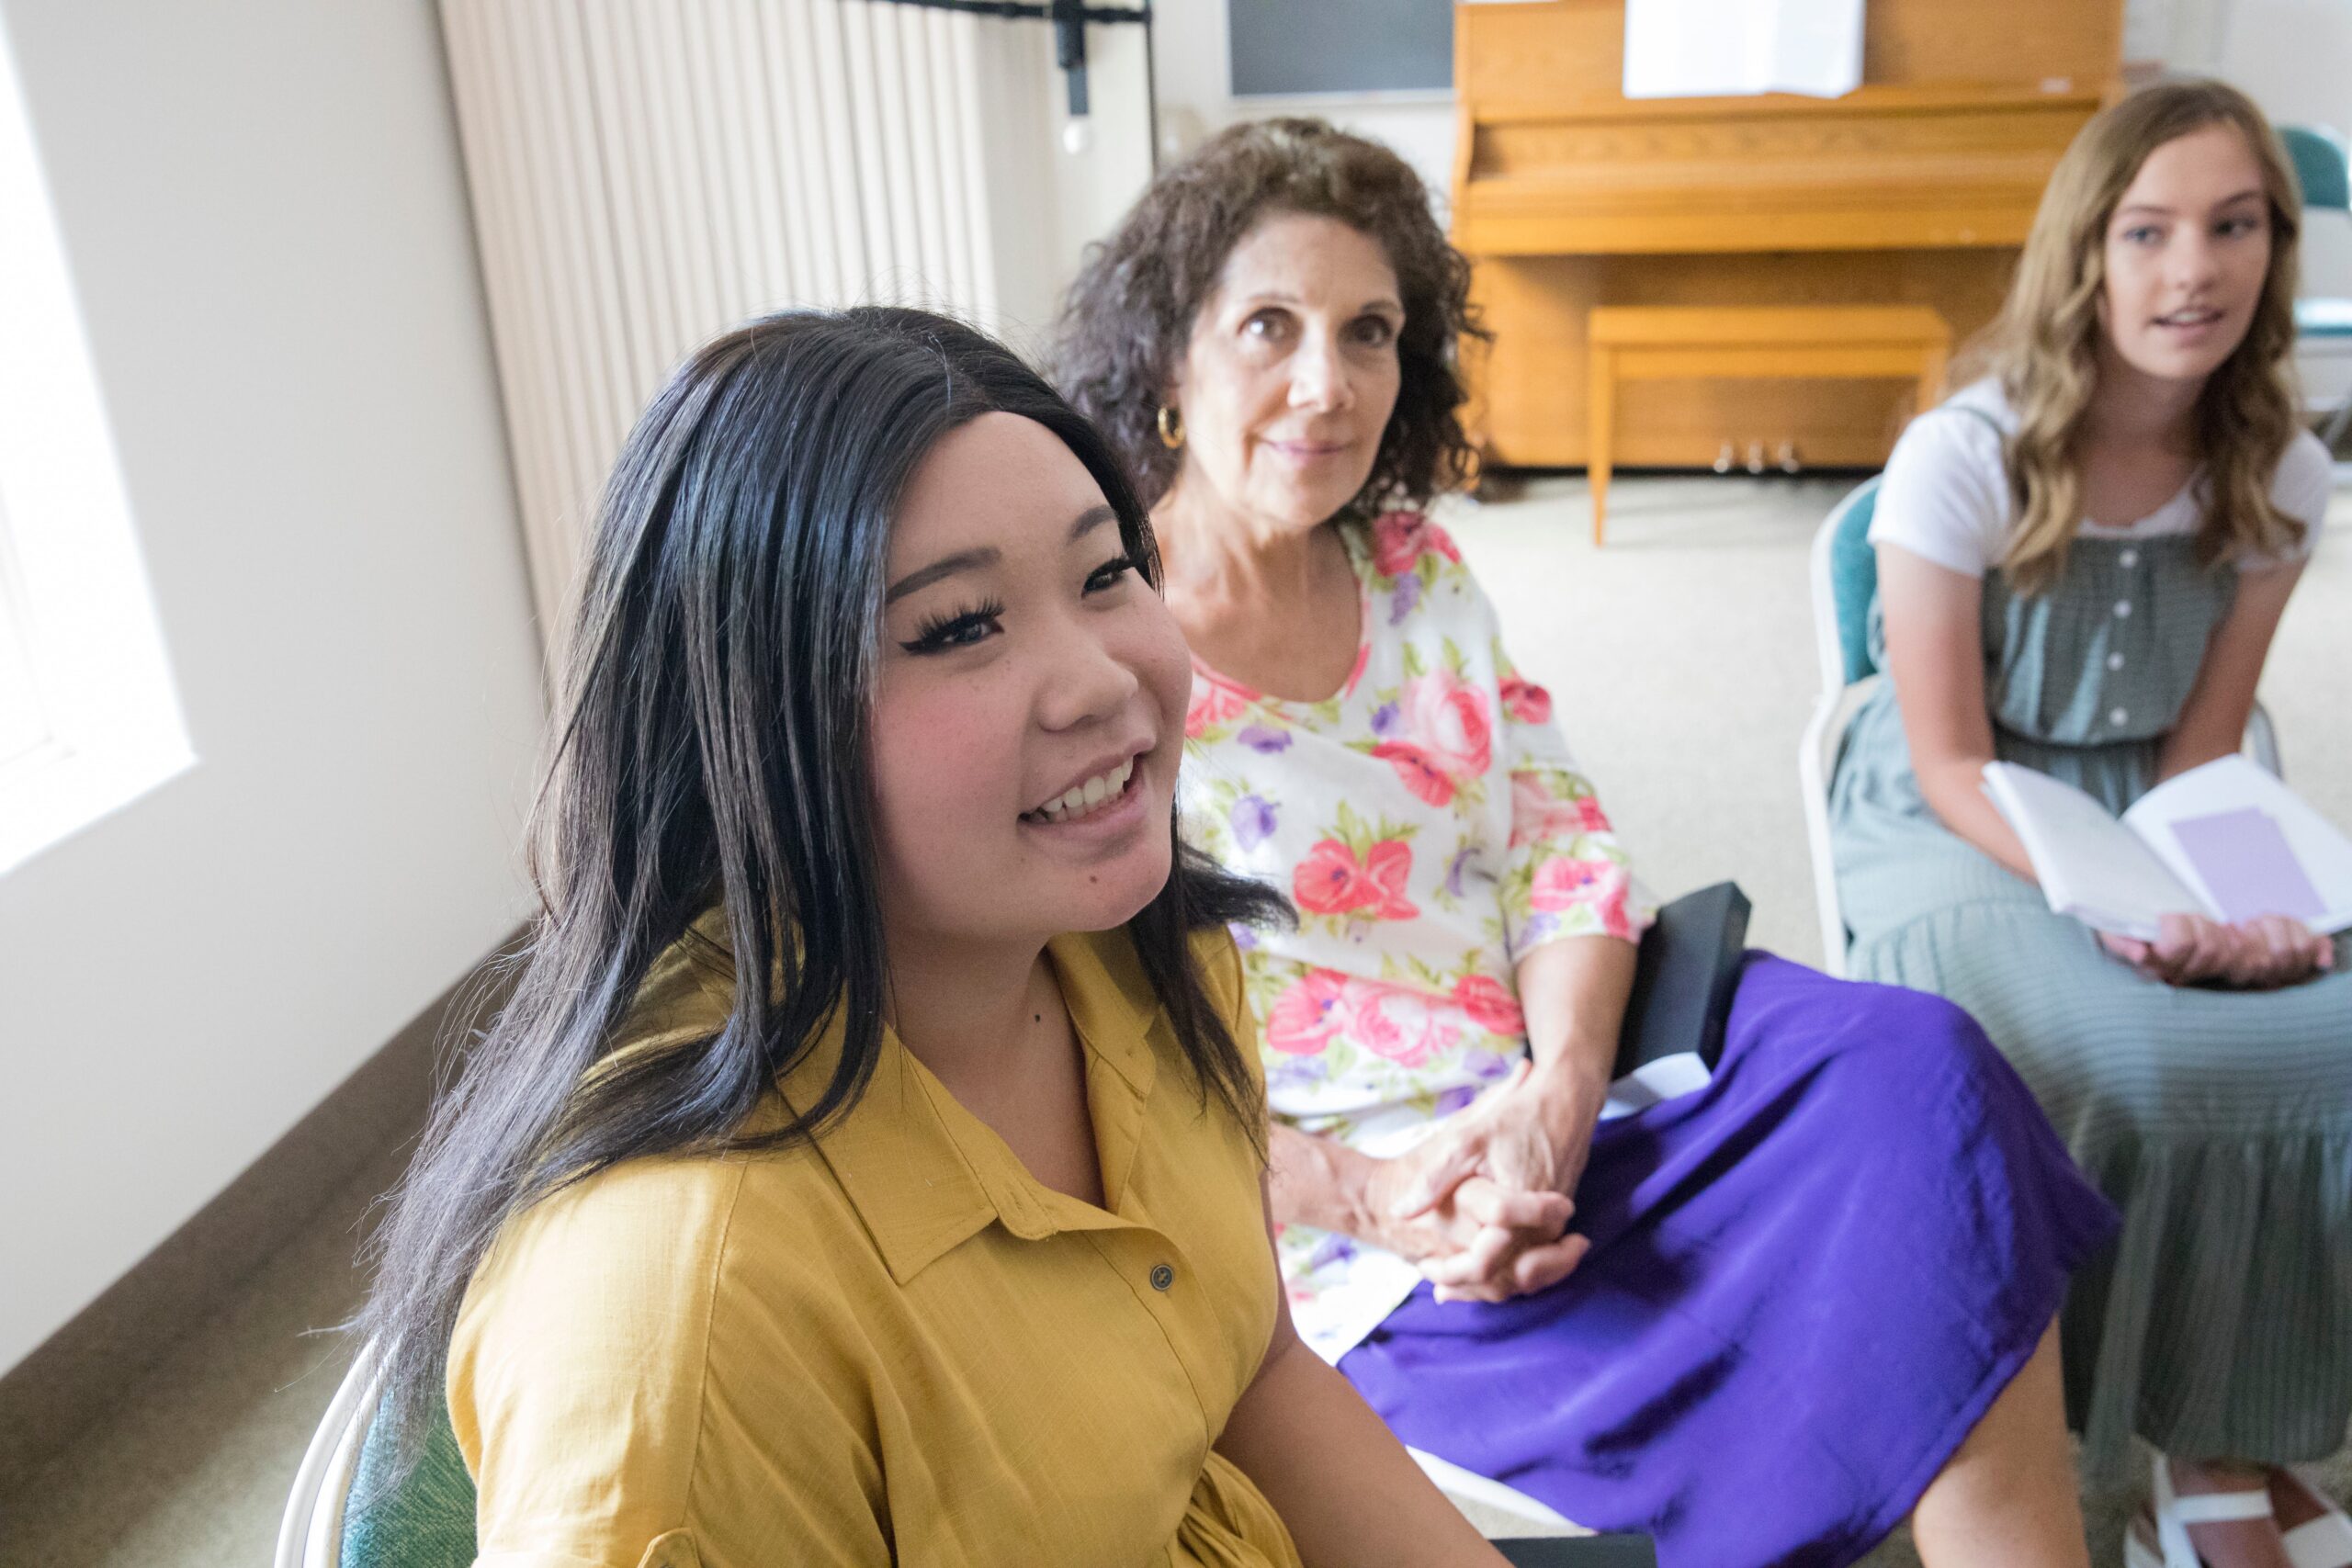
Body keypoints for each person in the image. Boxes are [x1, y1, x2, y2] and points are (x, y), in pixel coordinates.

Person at [1055, 117, 2121, 1568]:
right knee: (1657, 1373)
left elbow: (1561, 848)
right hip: (1337, 1203)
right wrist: (1387, 1199)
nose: (1328, 385)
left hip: (1563, 1086)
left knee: (1916, 1081)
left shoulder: (1413, 568)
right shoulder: (1105, 660)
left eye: (1370, 333)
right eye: (1269, 327)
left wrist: (1557, 1092)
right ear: (1168, 361)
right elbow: (1102, 1062)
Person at [352, 307, 1522, 1566]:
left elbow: (1259, 1376)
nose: (1103, 683)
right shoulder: (685, 1330)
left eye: (1104, 573)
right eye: (961, 627)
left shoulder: (1140, 951)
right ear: (753, 720)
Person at [1828, 79, 2352, 1568]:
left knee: (2324, 1028)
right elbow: (1942, 754)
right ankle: (2118, 1434)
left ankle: (2221, 1434)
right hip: (1962, 814)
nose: (2195, 268)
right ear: (2088, 253)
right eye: (2150, 230)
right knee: (2128, 1050)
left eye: (2234, 226)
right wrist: (2116, 913)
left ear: (2273, 247)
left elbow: (2205, 742)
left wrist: (2235, 902)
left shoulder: (2286, 470)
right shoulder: (1968, 454)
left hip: (2161, 797)